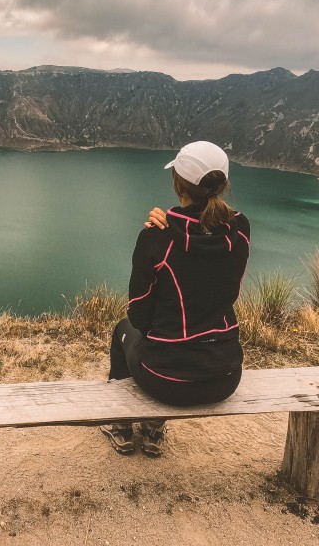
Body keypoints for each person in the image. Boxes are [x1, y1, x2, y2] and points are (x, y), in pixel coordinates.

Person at [100, 141, 250, 456]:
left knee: (122, 329)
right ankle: (153, 432)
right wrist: (176, 228)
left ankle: (123, 426)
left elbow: (139, 318)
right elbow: (205, 250)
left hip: (165, 379)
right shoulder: (240, 230)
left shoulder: (156, 239)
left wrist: (168, 230)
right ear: (222, 184)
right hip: (225, 374)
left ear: (177, 183)